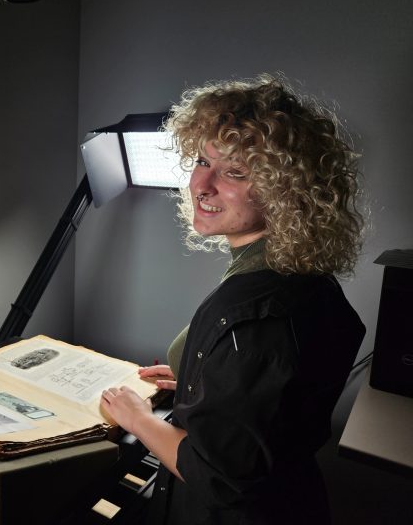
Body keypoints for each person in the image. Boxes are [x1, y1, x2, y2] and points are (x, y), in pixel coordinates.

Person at [100, 75, 365, 525]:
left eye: (234, 172)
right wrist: (199, 380)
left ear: (287, 194)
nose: (201, 184)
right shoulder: (296, 273)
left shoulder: (259, 314)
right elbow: (272, 398)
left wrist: (139, 419)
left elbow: (220, 479)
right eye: (202, 160)